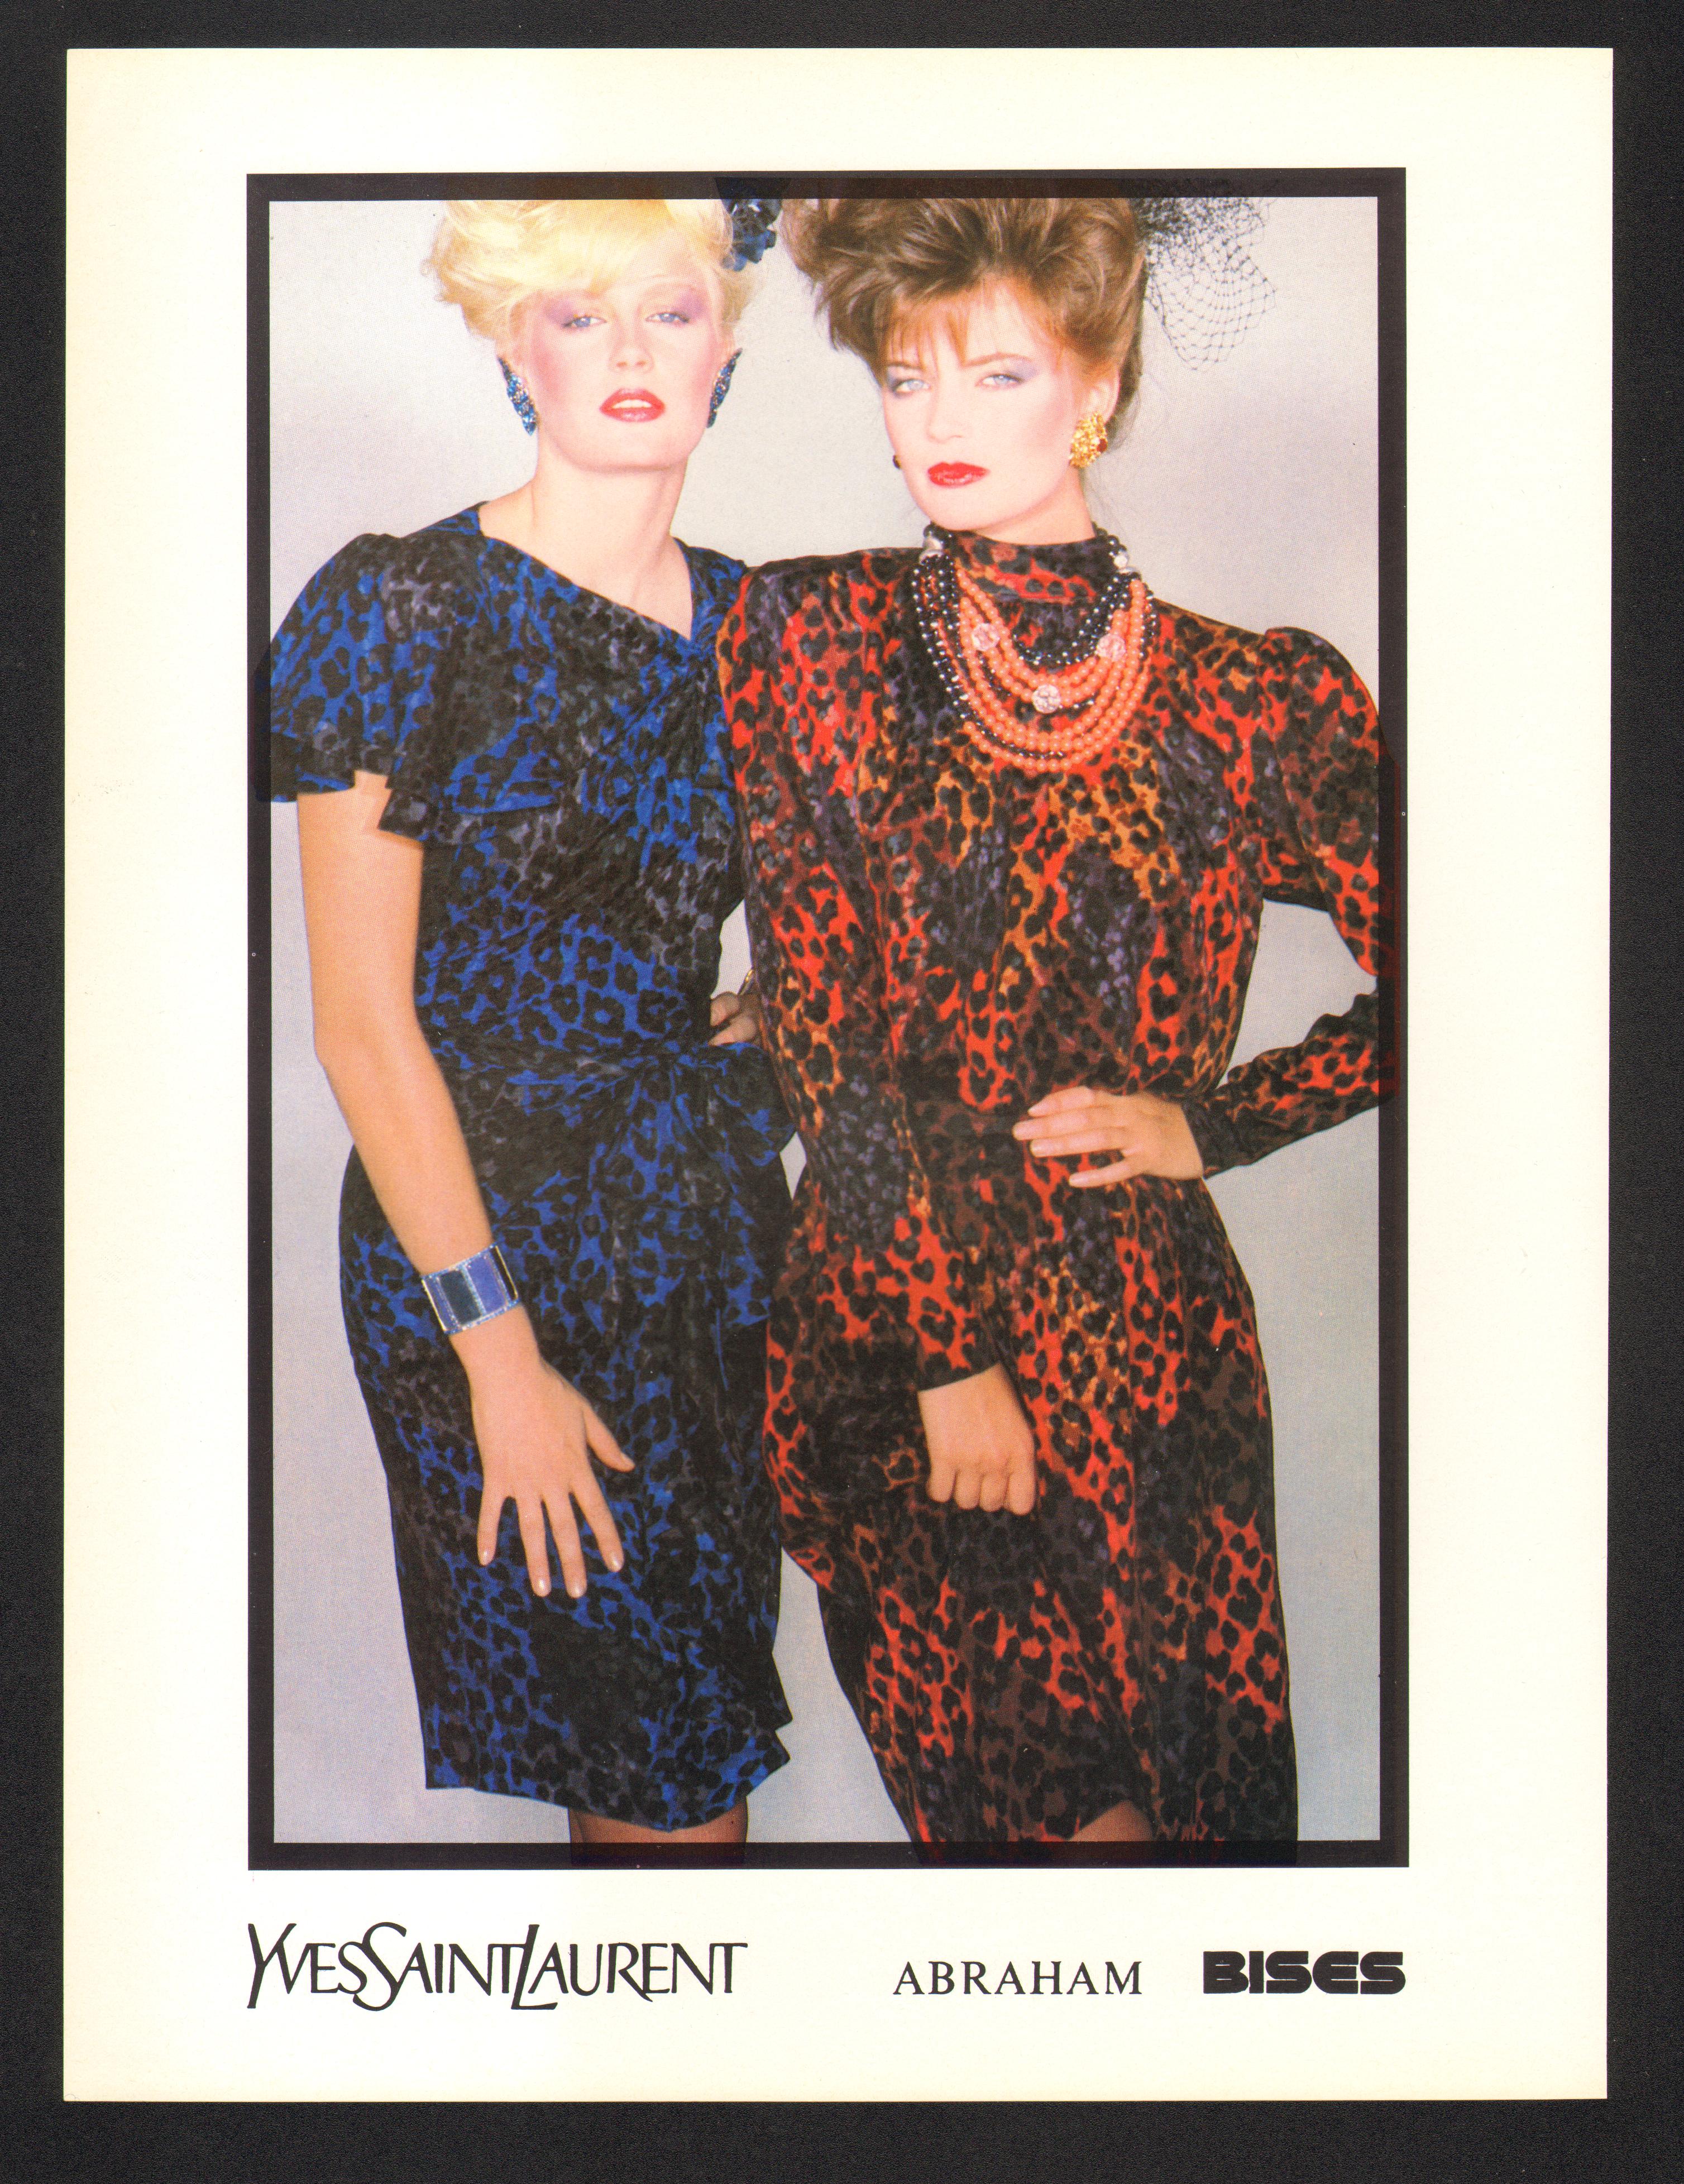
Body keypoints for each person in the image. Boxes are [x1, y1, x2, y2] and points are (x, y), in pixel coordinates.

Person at [719, 195, 1391, 1844]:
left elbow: (1513, 969)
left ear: (1096, 388)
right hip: (900, 1311)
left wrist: (1216, 1123)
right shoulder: (806, 636)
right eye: (907, 379)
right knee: (1052, 1856)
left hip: (1153, 1343)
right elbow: (827, 1038)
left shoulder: (1256, 697)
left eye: (997, 375)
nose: (938, 421)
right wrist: (950, 1361)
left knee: (1196, 1863)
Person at [269, 197, 793, 1845]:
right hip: (485, 1260)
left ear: (726, 351)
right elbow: (362, 1029)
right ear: (517, 350)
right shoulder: (403, 608)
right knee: (662, 1775)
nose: (630, 348)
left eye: (670, 311)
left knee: (692, 1755)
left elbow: (876, 919)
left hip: (704, 1237)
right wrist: (497, 1358)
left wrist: (779, 1024)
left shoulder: (770, 634)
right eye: (578, 314)